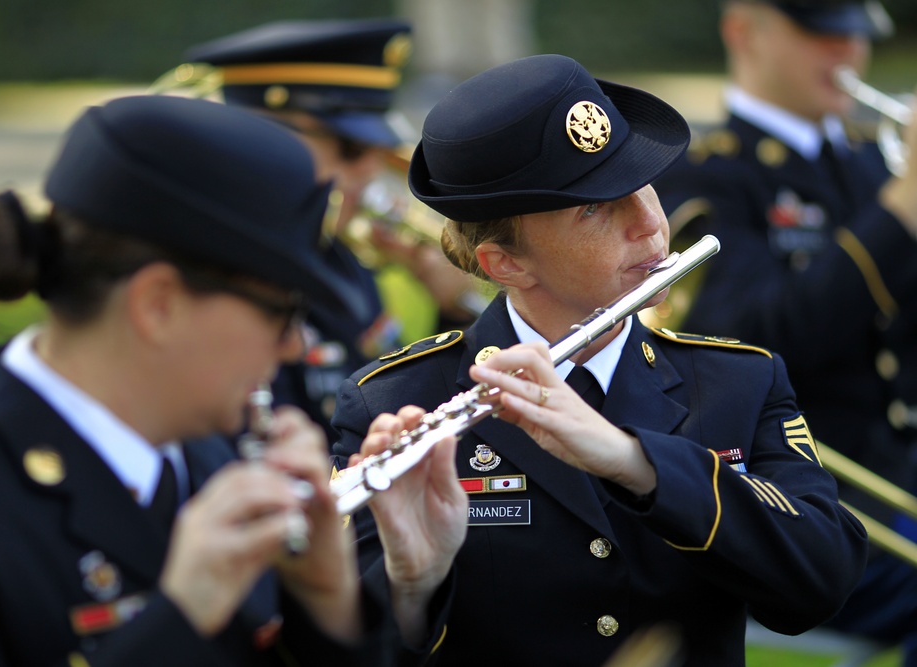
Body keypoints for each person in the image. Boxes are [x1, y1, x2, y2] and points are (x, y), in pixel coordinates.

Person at [330, 53, 870, 667]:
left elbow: (822, 582)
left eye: (645, 186)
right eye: (595, 207)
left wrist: (638, 462)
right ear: (507, 263)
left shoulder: (736, 381)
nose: (650, 224)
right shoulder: (394, 401)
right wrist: (410, 583)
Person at [0, 94, 398, 666]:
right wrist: (183, 615)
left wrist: (328, 604)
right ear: (159, 305)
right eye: (281, 310)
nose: (294, 344)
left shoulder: (220, 460)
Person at [652, 0, 917, 658]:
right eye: (821, 33)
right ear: (743, 29)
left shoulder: (870, 161)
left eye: (855, 36)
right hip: (809, 492)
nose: (847, 53)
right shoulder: (702, 172)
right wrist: (900, 212)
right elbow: (754, 339)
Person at [173, 18, 486, 443]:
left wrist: (452, 311)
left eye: (377, 151)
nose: (371, 171)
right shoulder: (208, 274)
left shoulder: (337, 258)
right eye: (351, 148)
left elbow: (388, 405)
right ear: (261, 136)